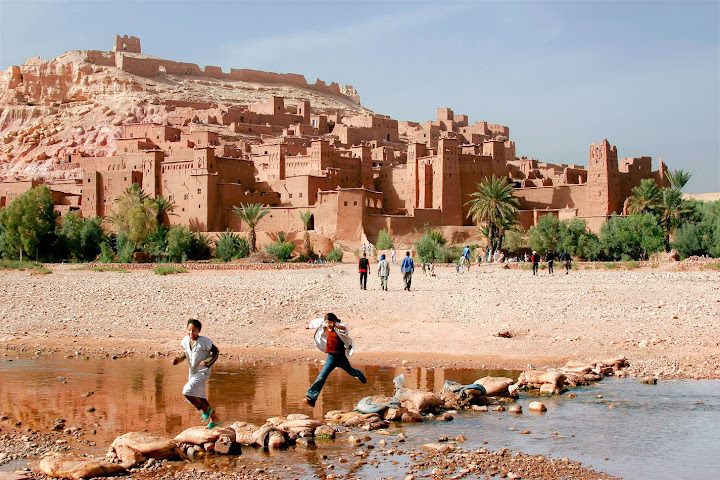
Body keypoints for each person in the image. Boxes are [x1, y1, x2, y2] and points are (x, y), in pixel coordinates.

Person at [303, 313, 366, 407]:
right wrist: (309, 326)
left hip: (341, 357)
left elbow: (344, 329)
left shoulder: (339, 328)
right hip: (331, 358)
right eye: (327, 323)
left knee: (351, 372)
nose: (328, 324)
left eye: (330, 322)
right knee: (321, 377)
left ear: (334, 321)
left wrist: (336, 325)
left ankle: (358, 374)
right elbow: (317, 323)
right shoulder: (325, 326)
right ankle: (311, 398)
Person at [173, 319, 220, 428]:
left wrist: (208, 362)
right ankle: (214, 419)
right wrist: (177, 360)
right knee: (200, 396)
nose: (191, 333)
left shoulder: (204, 341)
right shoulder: (185, 341)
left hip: (203, 371)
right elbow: (185, 354)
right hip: (192, 372)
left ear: (199, 331)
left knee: (187, 391)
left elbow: (216, 351)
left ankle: (205, 411)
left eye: (194, 331)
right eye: (189, 330)